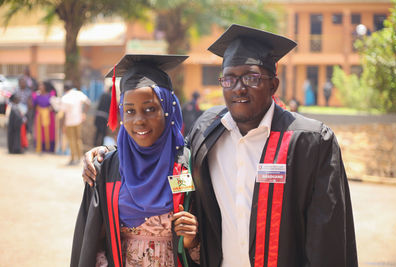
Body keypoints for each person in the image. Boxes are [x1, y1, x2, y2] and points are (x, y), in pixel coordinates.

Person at [82, 24, 358, 267]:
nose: (238, 88)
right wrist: (106, 153)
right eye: (229, 78)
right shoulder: (207, 132)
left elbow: (327, 238)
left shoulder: (309, 143)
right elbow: (162, 150)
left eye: (251, 78)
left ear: (273, 85)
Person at [71, 54, 199, 267]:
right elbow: (93, 243)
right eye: (129, 111)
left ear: (168, 110)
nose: (139, 119)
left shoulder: (189, 165)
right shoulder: (107, 168)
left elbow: (210, 244)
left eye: (150, 109)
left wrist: (191, 239)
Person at [60, 81, 91, 165]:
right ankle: (80, 157)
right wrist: (84, 113)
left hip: (69, 122)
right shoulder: (78, 94)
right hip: (78, 120)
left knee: (71, 140)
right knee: (78, 139)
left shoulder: (65, 98)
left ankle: (73, 158)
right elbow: (88, 102)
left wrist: (62, 125)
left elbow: (63, 114)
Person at [32, 81, 56, 153]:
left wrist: (51, 108)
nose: (40, 87)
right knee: (40, 132)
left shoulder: (50, 95)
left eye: (42, 85)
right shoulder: (36, 95)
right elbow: (34, 105)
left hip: (49, 115)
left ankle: (49, 147)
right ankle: (41, 147)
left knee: (50, 131)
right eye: (39, 85)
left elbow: (54, 104)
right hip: (39, 115)